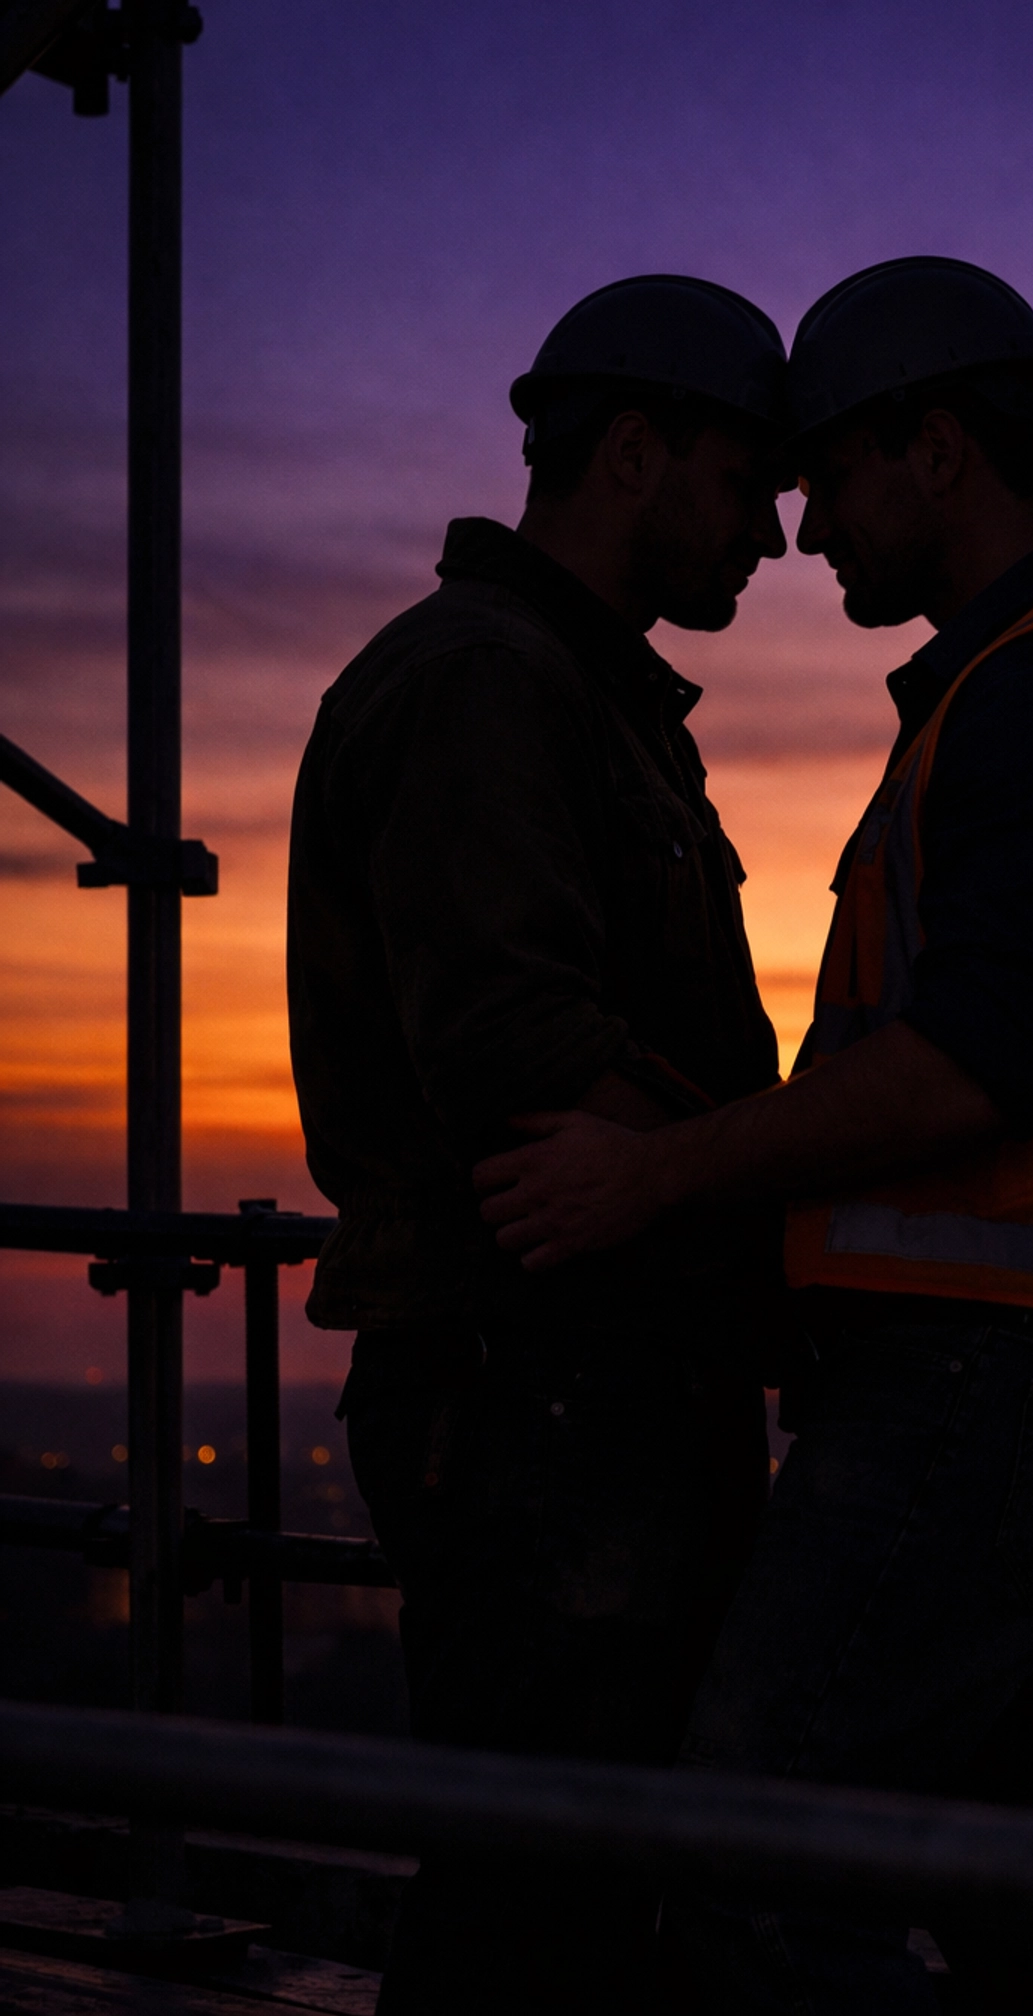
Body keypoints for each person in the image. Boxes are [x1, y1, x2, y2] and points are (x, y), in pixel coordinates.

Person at [475, 256, 1033, 2014]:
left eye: (826, 474)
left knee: (757, 1865)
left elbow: (980, 1061)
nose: (799, 530)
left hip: (986, 1396)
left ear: (934, 453)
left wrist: (658, 1171)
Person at [285, 274, 796, 2014]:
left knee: (579, 1879)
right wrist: (765, 1159)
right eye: (747, 487)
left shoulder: (569, 696)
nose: (776, 537)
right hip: (540, 1392)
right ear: (634, 454)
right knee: (542, 1899)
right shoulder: (488, 687)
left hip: (592, 1380)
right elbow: (520, 1050)